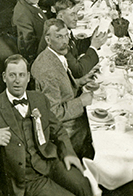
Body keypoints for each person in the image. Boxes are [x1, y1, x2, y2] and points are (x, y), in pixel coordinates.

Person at [0, 55, 89, 196]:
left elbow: (58, 129)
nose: (17, 80)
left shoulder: (39, 99)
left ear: (28, 77)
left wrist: (68, 153)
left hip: (50, 162)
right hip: (26, 178)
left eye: (21, 75)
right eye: (12, 75)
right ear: (4, 77)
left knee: (85, 187)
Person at [31, 20, 93, 152]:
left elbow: (61, 85)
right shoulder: (47, 71)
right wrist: (81, 101)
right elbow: (54, 113)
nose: (65, 41)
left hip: (68, 113)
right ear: (48, 39)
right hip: (64, 129)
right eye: (59, 37)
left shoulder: (55, 54)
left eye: (66, 35)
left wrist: (80, 81)